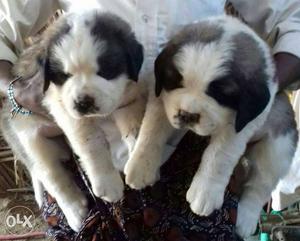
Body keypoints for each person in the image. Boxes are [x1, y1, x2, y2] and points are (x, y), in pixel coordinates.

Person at [0, 0, 300, 240]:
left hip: (197, 160)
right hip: (86, 165)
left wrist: (258, 88)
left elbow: (294, 21)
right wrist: (15, 91)